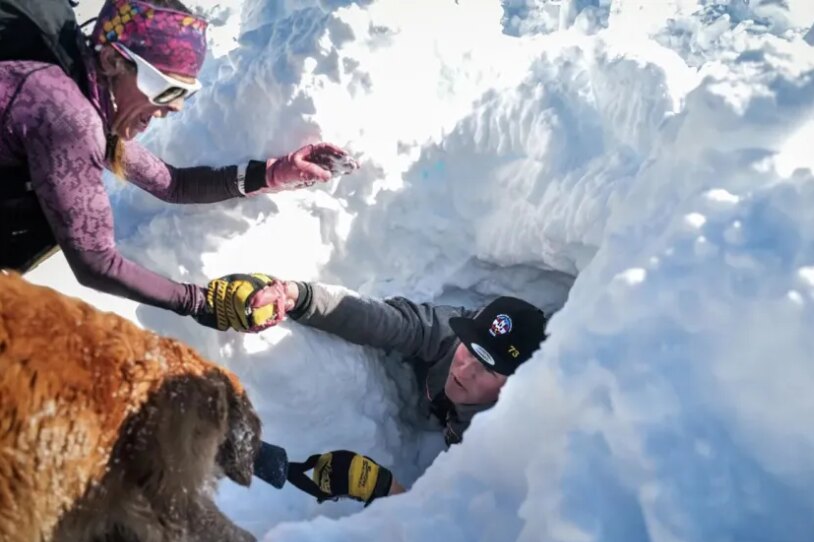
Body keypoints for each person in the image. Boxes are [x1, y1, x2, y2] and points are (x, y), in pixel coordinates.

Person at [0, 0, 356, 333]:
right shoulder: (70, 119)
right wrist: (204, 304)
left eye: (184, 93)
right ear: (111, 60)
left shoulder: (83, 94)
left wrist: (275, 172)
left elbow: (173, 184)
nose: (175, 108)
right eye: (167, 89)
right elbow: (96, 263)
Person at [252, 279, 548, 506]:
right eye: (468, 348)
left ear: (515, 384)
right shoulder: (452, 337)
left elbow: (464, 538)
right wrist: (298, 296)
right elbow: (387, 321)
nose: (464, 369)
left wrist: (385, 490)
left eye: (487, 369)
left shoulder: (511, 441)